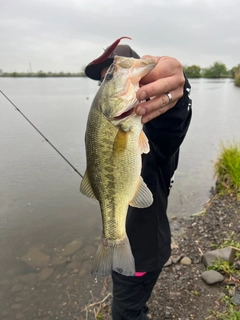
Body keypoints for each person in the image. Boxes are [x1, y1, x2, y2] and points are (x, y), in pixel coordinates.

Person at [85, 44, 192, 320]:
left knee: (125, 314)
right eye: (105, 79)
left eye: (113, 73)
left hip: (143, 254)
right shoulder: (118, 121)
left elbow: (173, 121)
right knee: (133, 305)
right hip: (130, 245)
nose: (107, 79)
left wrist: (180, 95)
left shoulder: (157, 129)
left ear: (146, 79)